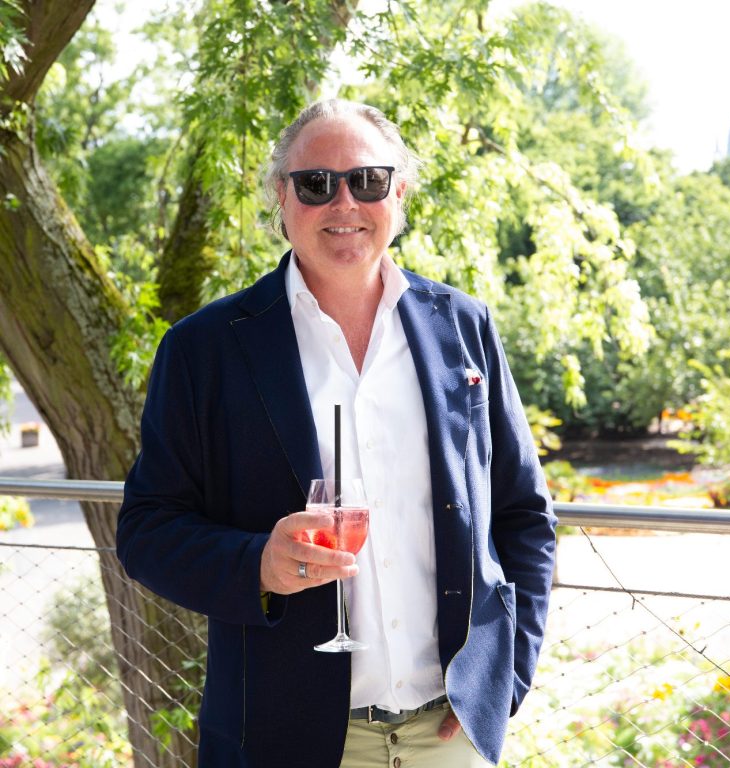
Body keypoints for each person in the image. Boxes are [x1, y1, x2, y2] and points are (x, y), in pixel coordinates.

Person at [116, 98, 557, 768]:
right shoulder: (204, 349)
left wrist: (506, 675)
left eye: (369, 181)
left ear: (399, 194)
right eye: (316, 183)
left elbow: (524, 514)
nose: (344, 202)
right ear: (282, 197)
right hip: (285, 736)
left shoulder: (464, 327)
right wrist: (258, 564)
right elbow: (146, 529)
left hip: (451, 733)